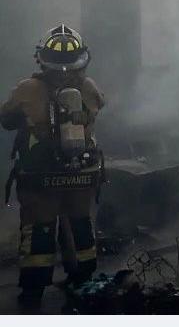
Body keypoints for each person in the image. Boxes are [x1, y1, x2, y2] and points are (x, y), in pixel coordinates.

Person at [1, 25, 104, 312]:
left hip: (40, 176)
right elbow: (100, 106)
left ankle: (33, 294)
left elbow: (6, 119)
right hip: (82, 173)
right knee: (80, 224)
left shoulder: (27, 89)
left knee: (39, 230)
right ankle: (84, 282)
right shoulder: (90, 87)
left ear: (41, 58)